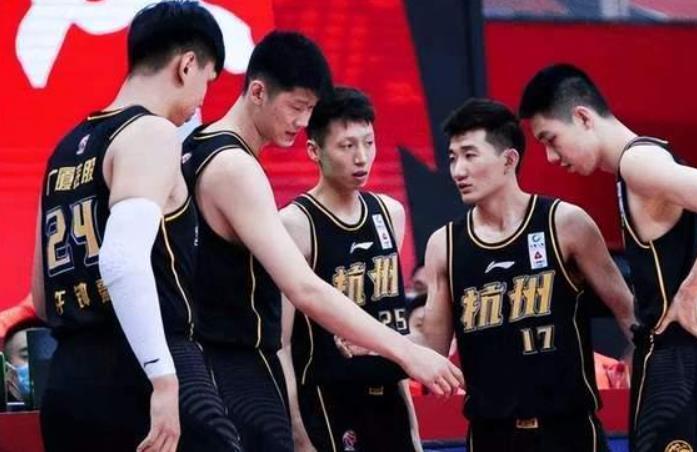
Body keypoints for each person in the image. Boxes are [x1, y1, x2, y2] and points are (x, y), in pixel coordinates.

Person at [181, 32, 462, 452]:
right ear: (257, 92)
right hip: (236, 371)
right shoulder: (236, 168)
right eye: (296, 107)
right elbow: (304, 288)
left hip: (218, 368)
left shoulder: (197, 147)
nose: (301, 121)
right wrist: (406, 352)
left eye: (310, 109)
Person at [519, 63, 697, 452]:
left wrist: (692, 292)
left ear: (583, 117)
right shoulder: (654, 158)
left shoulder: (638, 164)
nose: (551, 157)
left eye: (551, 139)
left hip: (676, 371)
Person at [30, 2, 242, 451]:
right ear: (187, 65)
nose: (202, 102)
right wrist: (163, 379)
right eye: (207, 82)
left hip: (67, 385)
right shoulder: (152, 133)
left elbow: (44, 299)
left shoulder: (63, 150)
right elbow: (122, 262)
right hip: (146, 370)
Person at [414, 98, 636, 451]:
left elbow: (628, 313)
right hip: (491, 436)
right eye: (453, 158)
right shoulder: (445, 245)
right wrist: (376, 341)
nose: (458, 171)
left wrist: (664, 379)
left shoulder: (565, 223)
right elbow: (433, 349)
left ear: (509, 159)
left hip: (569, 433)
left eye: (470, 155)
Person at [279, 86, 422, 452]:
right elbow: (282, 343)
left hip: (388, 399)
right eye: (347, 146)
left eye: (368, 143)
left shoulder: (390, 214)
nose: (362, 157)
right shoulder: (295, 224)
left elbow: (391, 327)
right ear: (314, 151)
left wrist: (413, 430)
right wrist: (298, 433)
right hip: (328, 402)